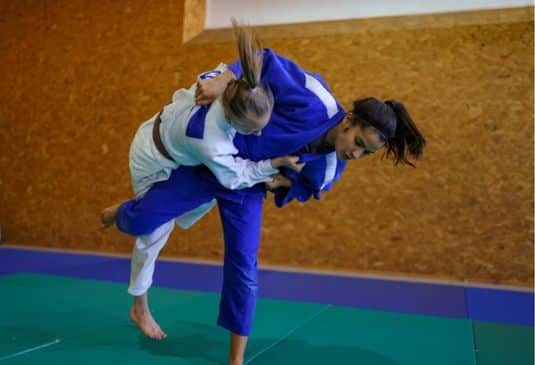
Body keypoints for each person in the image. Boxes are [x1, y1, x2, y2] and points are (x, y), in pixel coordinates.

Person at [106, 27, 426, 365]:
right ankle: (122, 212)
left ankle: (236, 359)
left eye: (367, 154)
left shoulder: (331, 167)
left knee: (244, 266)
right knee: (143, 219)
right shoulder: (315, 100)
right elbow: (266, 60)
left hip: (247, 188)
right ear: (349, 121)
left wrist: (282, 185)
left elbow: (310, 188)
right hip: (213, 163)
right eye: (359, 143)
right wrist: (224, 79)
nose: (356, 155)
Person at [101, 22, 304, 229]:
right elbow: (235, 177)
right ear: (231, 117)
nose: (259, 133)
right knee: (151, 229)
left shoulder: (224, 82)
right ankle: (120, 215)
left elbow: (259, 60)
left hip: (180, 145)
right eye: (251, 129)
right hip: (153, 156)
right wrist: (275, 163)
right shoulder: (212, 142)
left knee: (202, 198)